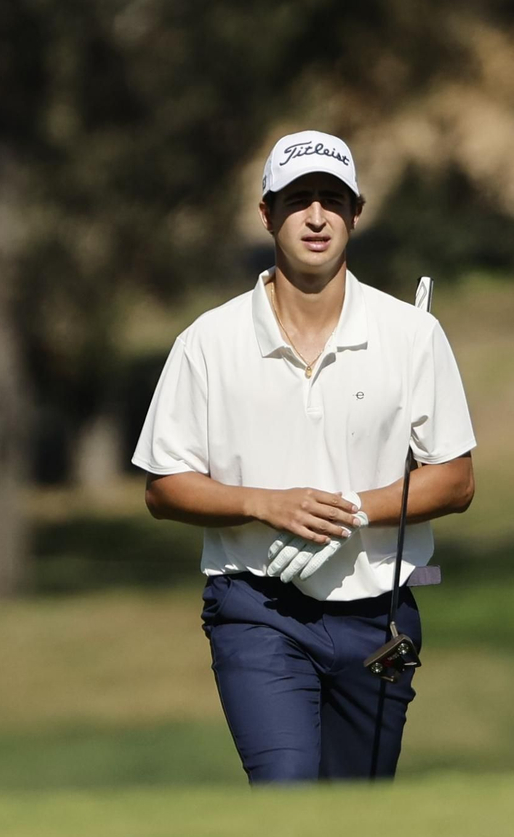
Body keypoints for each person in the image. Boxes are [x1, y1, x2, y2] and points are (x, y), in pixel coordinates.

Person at [132, 130, 477, 785]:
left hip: (378, 617)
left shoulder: (412, 335)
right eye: (298, 200)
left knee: (354, 816)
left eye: (331, 199)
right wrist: (265, 504)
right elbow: (164, 487)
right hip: (258, 611)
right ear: (267, 215)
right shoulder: (209, 341)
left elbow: (455, 481)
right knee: (287, 790)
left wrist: (350, 510)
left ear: (355, 212)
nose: (316, 216)